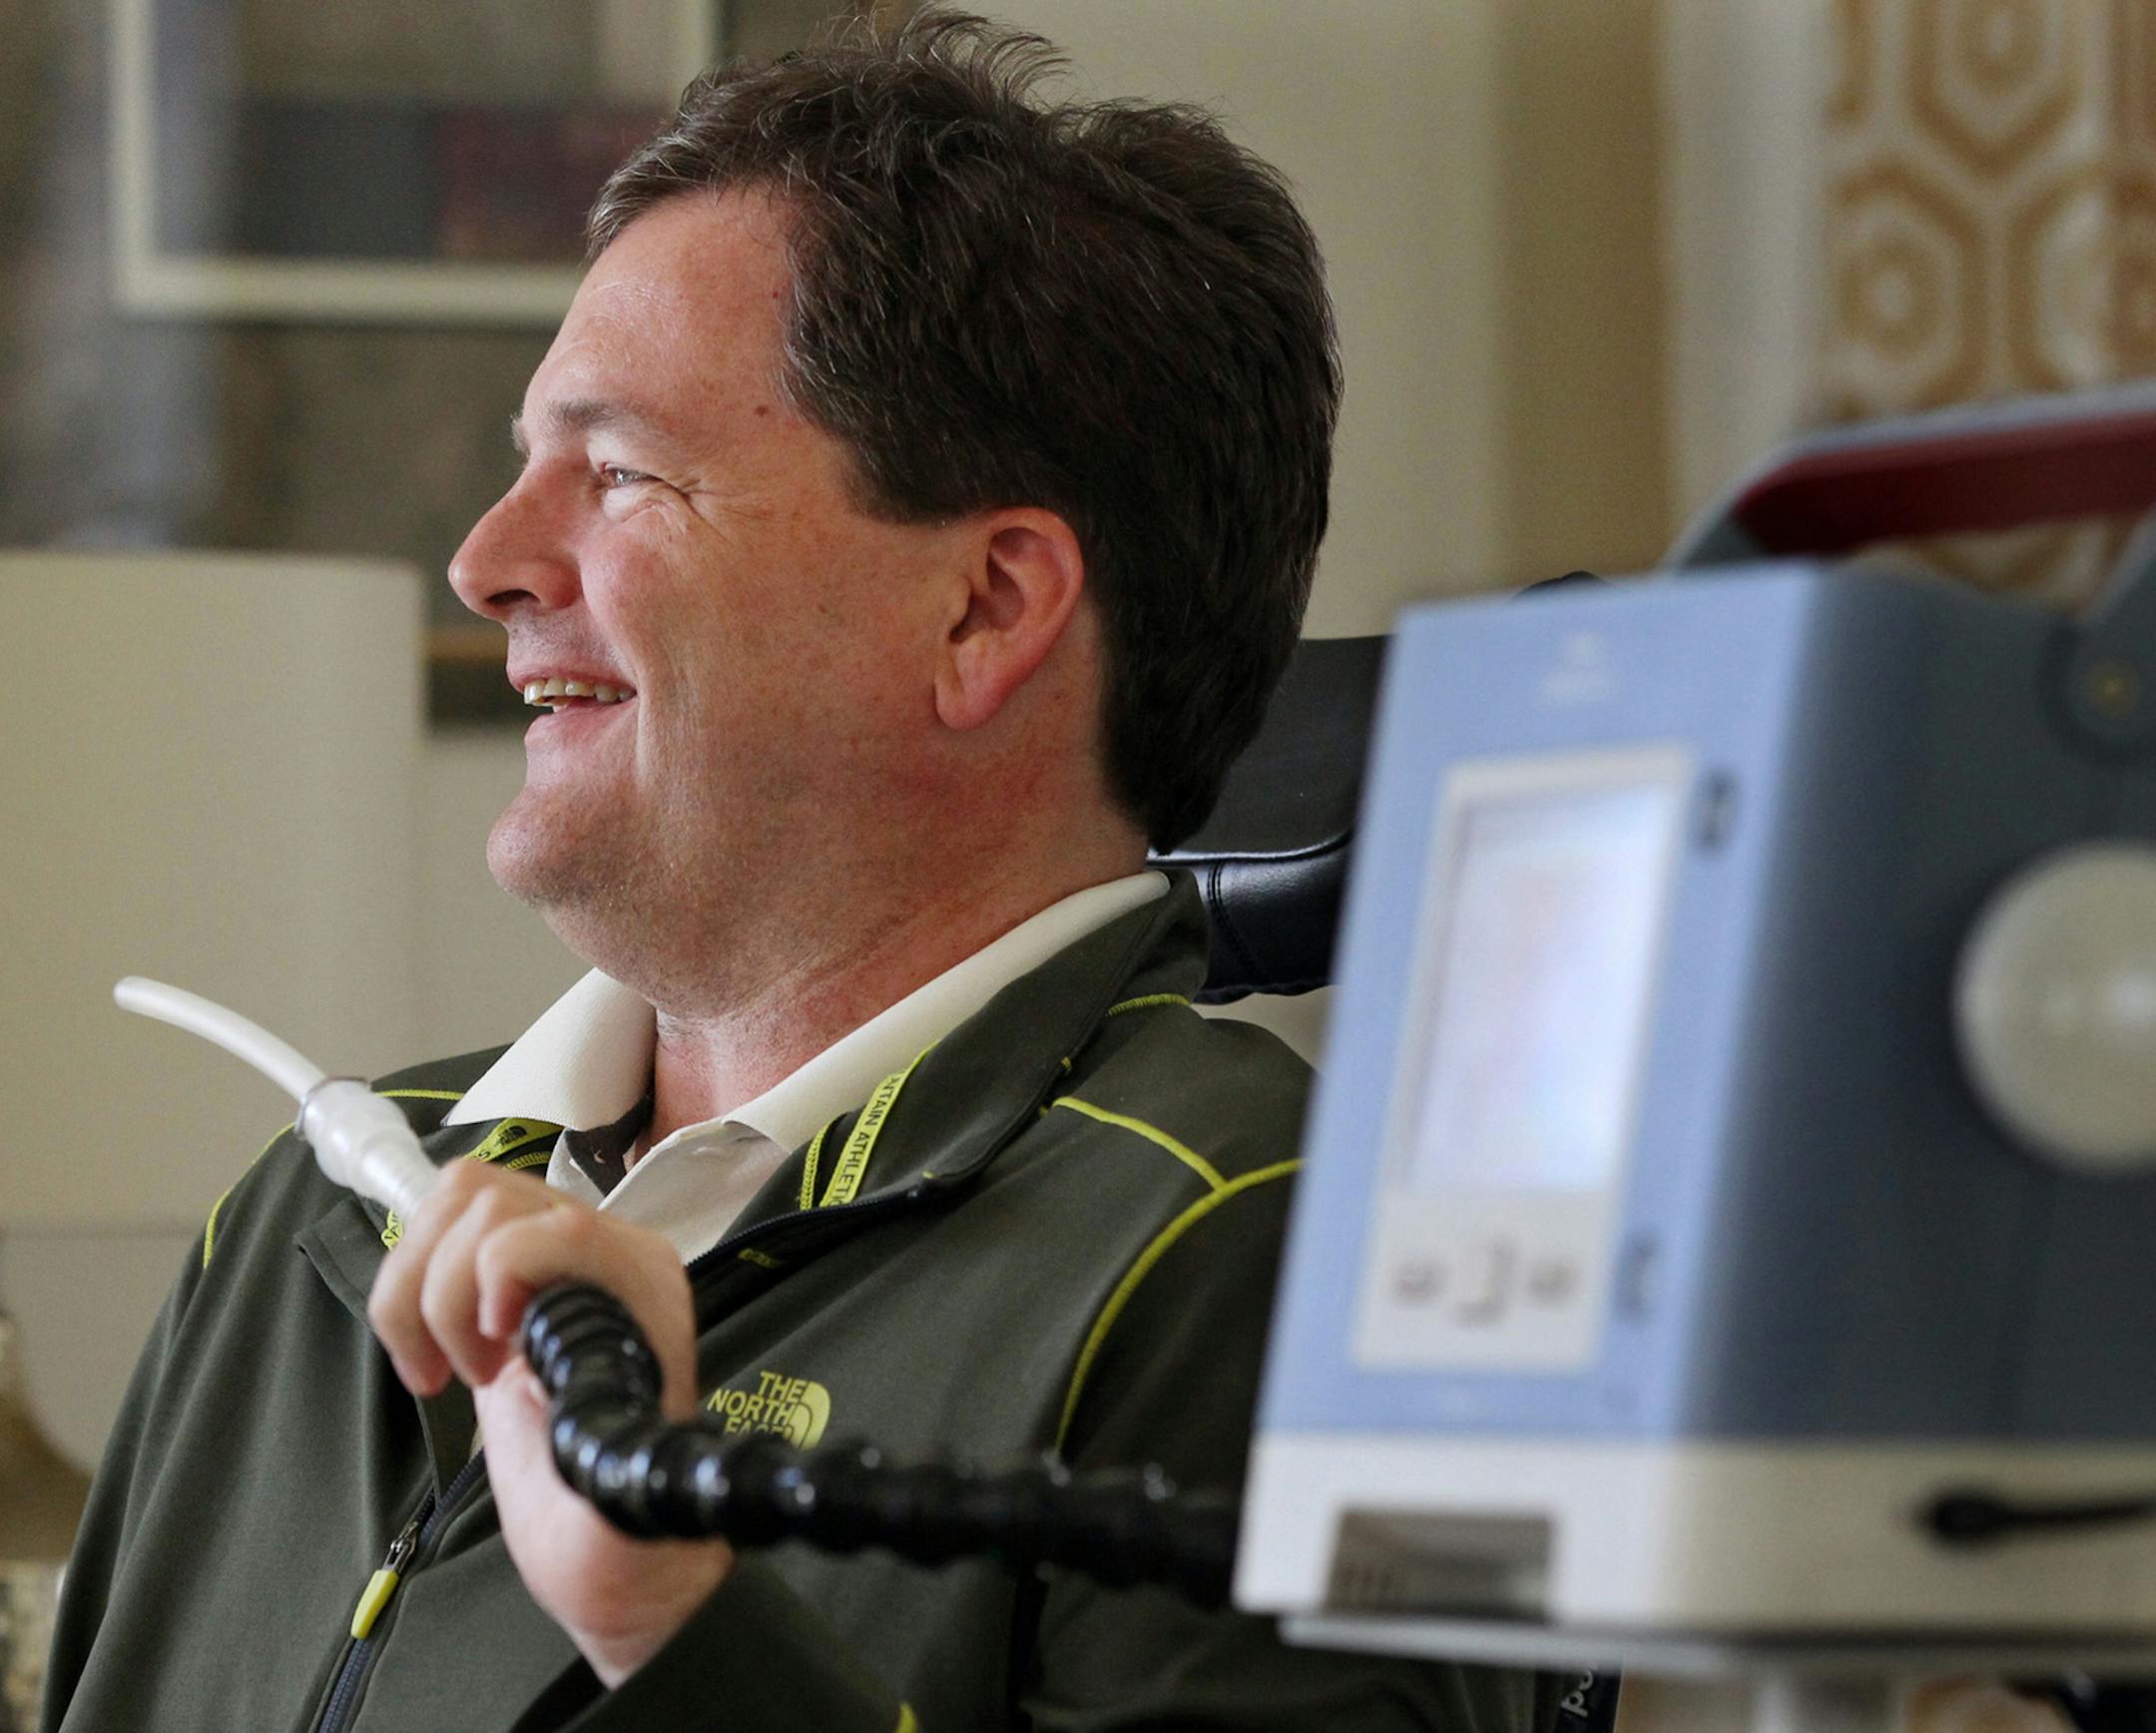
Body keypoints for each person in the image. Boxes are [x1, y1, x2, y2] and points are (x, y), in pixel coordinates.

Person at [45, 14, 1556, 1732]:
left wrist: (674, 1620)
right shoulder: (307, 1230)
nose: (485, 561)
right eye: (523, 462)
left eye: (618, 473)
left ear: (985, 607)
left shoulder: (1272, 1259)